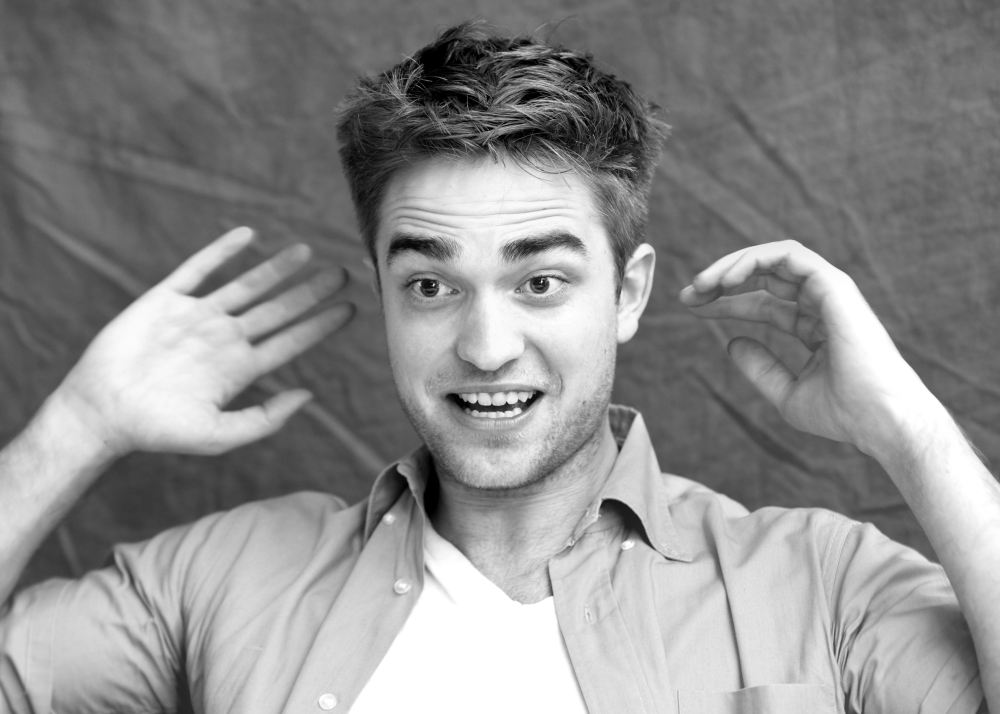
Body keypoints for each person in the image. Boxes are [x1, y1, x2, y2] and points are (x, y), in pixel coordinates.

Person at [0, 21, 996, 714]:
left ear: (628, 293)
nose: (484, 346)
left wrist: (908, 433)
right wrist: (78, 426)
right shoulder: (223, 579)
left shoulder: (819, 580)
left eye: (540, 282)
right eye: (432, 286)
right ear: (387, 297)